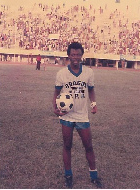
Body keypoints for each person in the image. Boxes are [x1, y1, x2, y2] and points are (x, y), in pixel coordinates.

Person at [52, 42, 102, 188]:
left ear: (81, 56)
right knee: (67, 146)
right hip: (66, 116)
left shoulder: (88, 72)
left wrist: (93, 104)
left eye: (78, 54)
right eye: (73, 54)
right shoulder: (61, 73)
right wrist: (54, 108)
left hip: (82, 116)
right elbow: (56, 92)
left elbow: (91, 90)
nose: (75, 57)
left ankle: (94, 175)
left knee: (89, 146)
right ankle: (68, 175)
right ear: (68, 55)